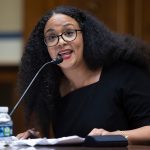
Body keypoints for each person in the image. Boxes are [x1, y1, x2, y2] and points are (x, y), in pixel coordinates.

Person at [16, 5, 150, 145]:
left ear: (86, 36)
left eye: (69, 33)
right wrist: (38, 140)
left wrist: (115, 135)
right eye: (51, 37)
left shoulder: (125, 73)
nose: (61, 42)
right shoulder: (52, 90)